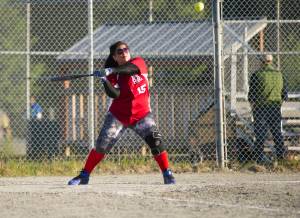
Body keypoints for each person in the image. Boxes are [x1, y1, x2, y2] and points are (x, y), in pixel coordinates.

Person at [68, 41, 175, 185]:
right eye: (120, 51)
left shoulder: (138, 63)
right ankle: (84, 175)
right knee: (102, 145)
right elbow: (115, 94)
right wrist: (105, 79)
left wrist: (111, 70)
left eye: (126, 49)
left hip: (141, 114)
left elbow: (130, 69)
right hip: (118, 116)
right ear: (114, 57)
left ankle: (167, 173)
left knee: (156, 141)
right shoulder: (114, 75)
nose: (124, 52)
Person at [248, 54, 288, 162]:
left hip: (261, 108)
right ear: (271, 61)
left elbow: (251, 95)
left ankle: (258, 159)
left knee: (260, 134)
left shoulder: (257, 75)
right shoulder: (279, 74)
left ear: (262, 62)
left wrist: (253, 107)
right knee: (277, 133)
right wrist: (278, 104)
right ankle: (280, 157)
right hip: (274, 108)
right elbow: (284, 95)